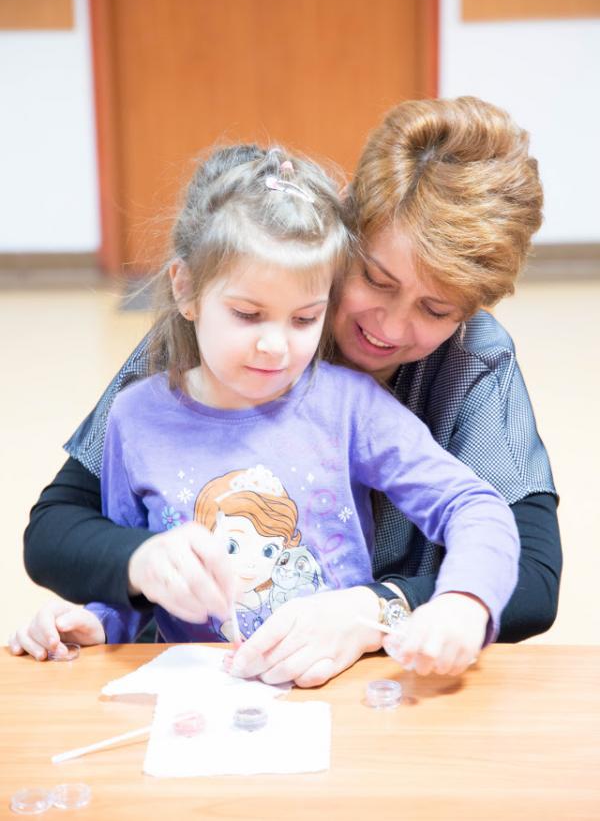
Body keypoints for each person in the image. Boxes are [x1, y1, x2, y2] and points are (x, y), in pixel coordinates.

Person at [14, 97, 561, 684]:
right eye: (375, 279)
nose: (390, 325)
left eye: (436, 309)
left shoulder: (451, 365)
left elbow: (528, 570)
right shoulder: (212, 335)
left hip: (372, 677)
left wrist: (380, 610)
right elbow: (64, 529)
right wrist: (125, 588)